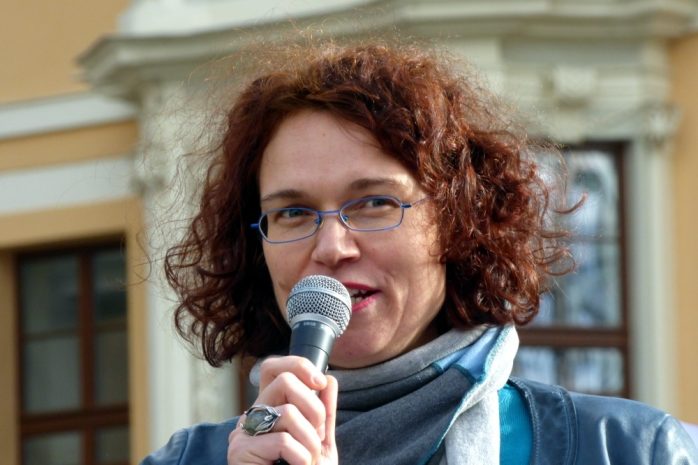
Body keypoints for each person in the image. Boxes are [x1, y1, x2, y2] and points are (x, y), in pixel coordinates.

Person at [143, 40, 698, 465]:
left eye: (374, 203)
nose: (331, 247)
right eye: (292, 213)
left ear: (455, 222)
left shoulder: (631, 450)